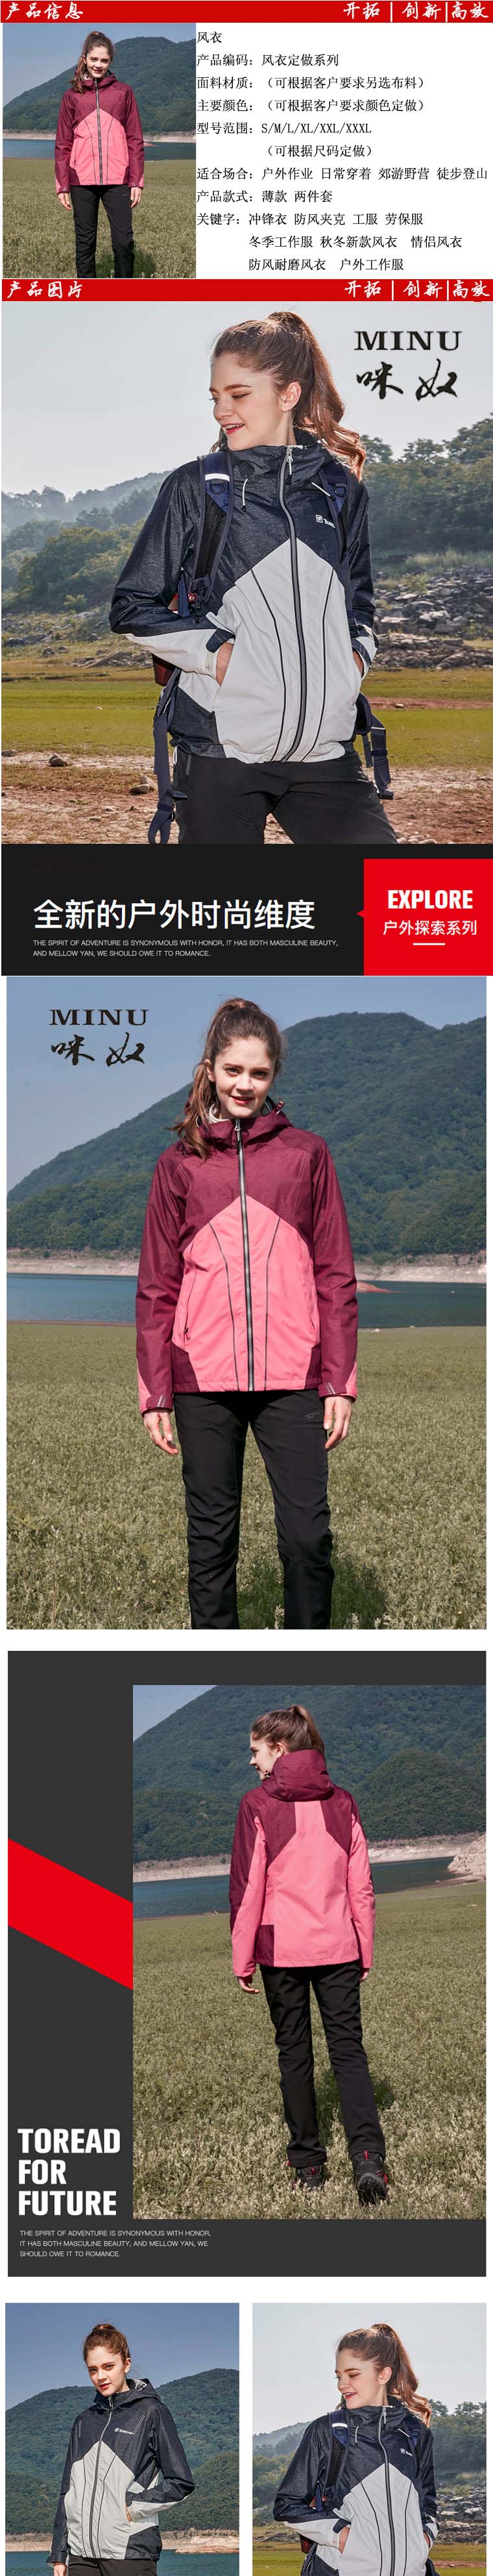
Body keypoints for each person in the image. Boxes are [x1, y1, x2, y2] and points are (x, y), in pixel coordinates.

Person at [110, 308, 398, 845]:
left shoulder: (340, 491)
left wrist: (352, 663)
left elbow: (359, 603)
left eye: (239, 394)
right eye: (216, 396)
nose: (222, 410)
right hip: (220, 753)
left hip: (325, 752)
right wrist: (222, 658)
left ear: (288, 394)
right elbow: (133, 605)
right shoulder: (197, 487)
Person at [136, 995, 357, 1629]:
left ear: (273, 1076)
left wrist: (339, 1380)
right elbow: (157, 1284)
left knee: (309, 1540)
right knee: (210, 1547)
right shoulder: (178, 1164)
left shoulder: (306, 1155)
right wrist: (156, 1391)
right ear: (210, 1068)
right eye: (233, 1070)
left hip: (294, 1377)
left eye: (259, 1073)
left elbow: (335, 1272)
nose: (244, 1084)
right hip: (201, 1379)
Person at [230, 1702, 387, 2203]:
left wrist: (242, 1956)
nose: (252, 1760)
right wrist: (364, 1948)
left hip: (281, 1950)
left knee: (294, 2054)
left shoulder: (256, 1805)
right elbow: (361, 1885)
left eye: (256, 1750)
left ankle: (309, 2165)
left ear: (279, 1748)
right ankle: (369, 2159)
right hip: (339, 1945)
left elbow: (247, 1888)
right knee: (349, 2052)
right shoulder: (344, 1802)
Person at [274, 2320, 450, 2576]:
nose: (343, 2384)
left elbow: (428, 2503)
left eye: (353, 2375)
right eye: (338, 2376)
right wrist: (343, 2536)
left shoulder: (416, 2434)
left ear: (384, 2374)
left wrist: (423, 2539)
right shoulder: (327, 2431)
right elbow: (287, 2504)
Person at [49, 2321, 195, 2576]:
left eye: (108, 2367)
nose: (101, 2376)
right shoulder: (84, 2422)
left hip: (130, 2550)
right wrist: (59, 2555)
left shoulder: (151, 2413)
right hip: (82, 2555)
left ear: (126, 2364)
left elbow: (181, 2481)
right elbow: (67, 2491)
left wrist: (131, 2508)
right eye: (93, 2370)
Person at [54, 31, 144, 280]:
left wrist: (137, 181)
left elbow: (135, 138)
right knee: (85, 245)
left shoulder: (123, 92)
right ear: (85, 59)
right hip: (81, 181)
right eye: (94, 59)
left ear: (110, 62)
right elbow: (63, 143)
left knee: (124, 242)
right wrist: (62, 185)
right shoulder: (71, 96)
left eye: (104, 60)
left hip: (118, 179)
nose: (98, 65)